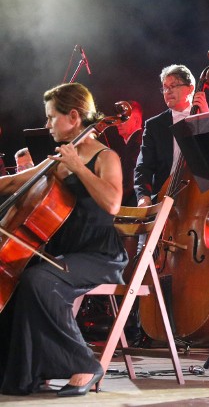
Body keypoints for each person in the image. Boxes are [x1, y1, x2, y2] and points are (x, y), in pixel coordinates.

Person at [0, 82, 128, 396]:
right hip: (64, 256)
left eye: (50, 117)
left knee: (39, 281)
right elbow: (14, 182)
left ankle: (84, 363)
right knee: (21, 280)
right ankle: (28, 372)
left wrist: (77, 168)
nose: (46, 125)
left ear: (73, 116)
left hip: (100, 256)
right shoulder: (57, 159)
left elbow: (112, 203)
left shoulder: (104, 157)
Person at [134, 65, 209, 207]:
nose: (167, 91)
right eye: (165, 88)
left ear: (191, 88)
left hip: (199, 197)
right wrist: (143, 196)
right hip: (164, 196)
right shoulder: (154, 125)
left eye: (173, 86)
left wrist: (206, 119)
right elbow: (143, 167)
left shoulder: (206, 117)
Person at [98, 100, 143, 206]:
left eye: (123, 119)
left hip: (130, 206)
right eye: (118, 118)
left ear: (136, 121)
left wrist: (112, 203)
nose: (118, 122)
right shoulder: (132, 144)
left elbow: (130, 184)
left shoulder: (136, 145)